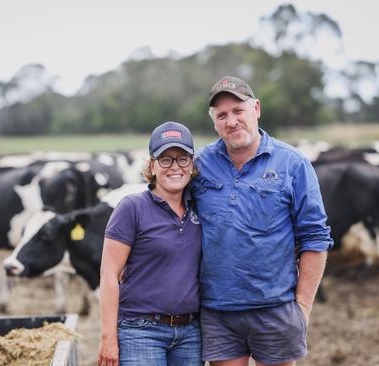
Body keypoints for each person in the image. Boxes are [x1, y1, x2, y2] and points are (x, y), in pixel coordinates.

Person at [192, 76, 334, 366]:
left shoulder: (293, 163)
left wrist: (302, 307)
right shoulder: (200, 165)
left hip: (275, 308)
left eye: (238, 111)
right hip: (218, 311)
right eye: (222, 115)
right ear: (214, 122)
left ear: (256, 108)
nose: (231, 121)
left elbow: (315, 238)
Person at [98, 121, 203, 366]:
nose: (174, 167)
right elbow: (108, 275)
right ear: (152, 165)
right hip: (141, 331)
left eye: (182, 159)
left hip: (191, 333)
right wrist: (108, 338)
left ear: (191, 164)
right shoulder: (132, 208)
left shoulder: (200, 207)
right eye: (165, 159)